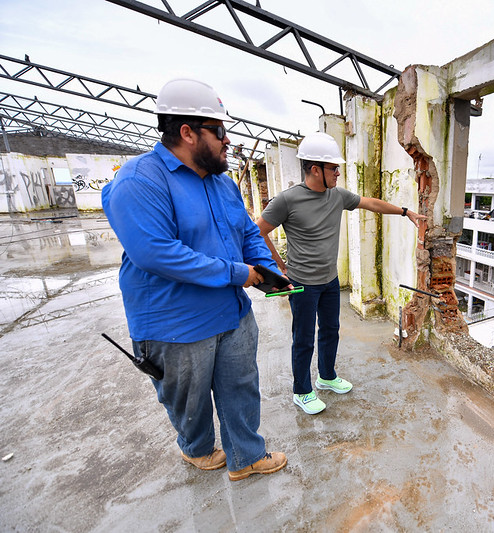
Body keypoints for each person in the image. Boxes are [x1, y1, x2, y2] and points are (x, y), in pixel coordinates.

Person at [101, 78, 288, 481]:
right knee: (189, 400)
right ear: (187, 132)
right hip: (176, 323)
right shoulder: (139, 180)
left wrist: (262, 267)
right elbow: (155, 253)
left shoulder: (221, 182)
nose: (227, 141)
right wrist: (239, 273)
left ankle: (246, 456)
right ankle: (198, 448)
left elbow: (247, 231)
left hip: (232, 313)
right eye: (220, 132)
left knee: (241, 385)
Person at [255, 131, 425, 415]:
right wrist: (278, 266)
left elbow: (371, 203)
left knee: (331, 330)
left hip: (329, 281)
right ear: (315, 169)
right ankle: (302, 390)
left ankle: (327, 376)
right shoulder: (287, 200)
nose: (337, 173)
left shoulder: (337, 196)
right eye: (334, 168)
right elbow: (258, 231)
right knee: (304, 338)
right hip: (302, 284)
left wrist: (405, 211)